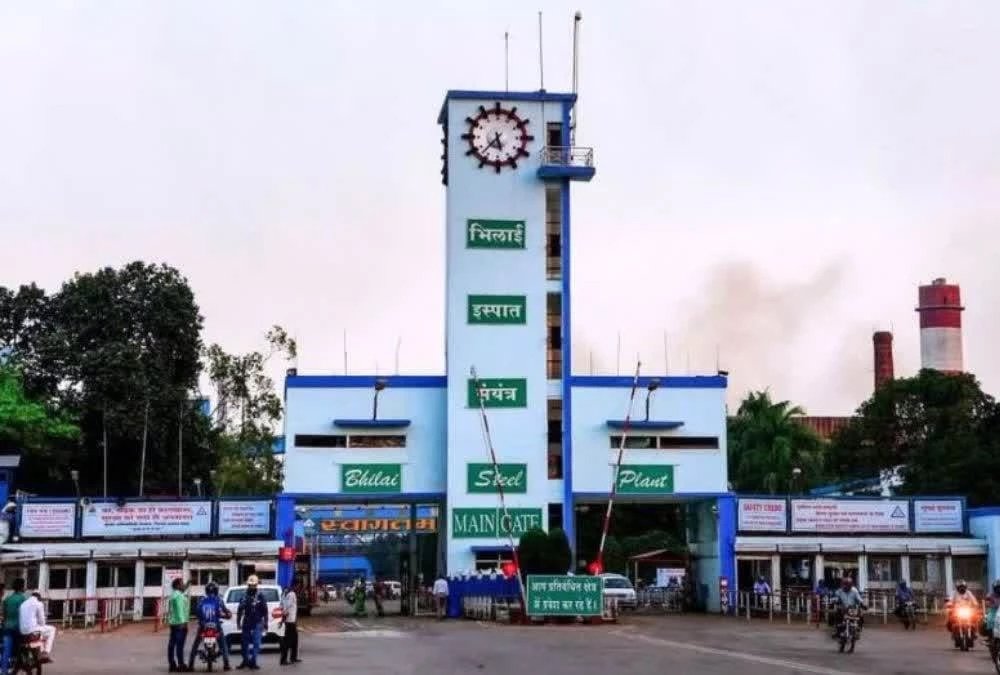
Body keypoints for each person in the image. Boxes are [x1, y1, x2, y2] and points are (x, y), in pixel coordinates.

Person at [188, 581, 231, 672]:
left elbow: (197, 612)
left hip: (203, 626)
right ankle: (226, 664)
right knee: (223, 644)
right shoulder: (219, 600)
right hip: (216, 626)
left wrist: (201, 620)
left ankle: (190, 665)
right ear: (216, 590)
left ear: (206, 590)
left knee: (195, 645)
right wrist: (227, 615)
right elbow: (223, 612)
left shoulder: (201, 600)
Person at [236, 575, 267, 671]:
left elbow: (265, 610)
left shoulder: (260, 596)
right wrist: (238, 622)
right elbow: (240, 610)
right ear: (248, 585)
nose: (252, 587)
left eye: (254, 585)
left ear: (256, 585)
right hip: (247, 622)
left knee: (256, 643)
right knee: (244, 644)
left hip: (257, 622)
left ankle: (253, 661)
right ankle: (245, 661)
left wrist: (266, 623)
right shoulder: (244, 596)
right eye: (250, 585)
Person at [18, 592, 55, 664]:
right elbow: (42, 622)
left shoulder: (23, 604)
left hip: (22, 631)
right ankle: (45, 652)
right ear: (39, 597)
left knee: (41, 631)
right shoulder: (38, 603)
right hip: (32, 631)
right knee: (52, 629)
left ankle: (40, 651)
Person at [1, 578, 27, 674]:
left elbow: (4, 615)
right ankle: (21, 664)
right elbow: (25, 616)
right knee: (22, 647)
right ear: (22, 587)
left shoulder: (7, 599)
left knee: (6, 651)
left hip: (7, 628)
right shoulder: (23, 599)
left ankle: (4, 671)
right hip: (18, 628)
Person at [166, 577, 190, 673]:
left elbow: (171, 610)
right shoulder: (179, 596)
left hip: (173, 623)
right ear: (177, 585)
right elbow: (180, 610)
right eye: (181, 583)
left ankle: (172, 664)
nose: (183, 585)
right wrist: (183, 623)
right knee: (180, 645)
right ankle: (181, 665)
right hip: (180, 624)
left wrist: (187, 584)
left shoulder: (173, 595)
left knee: (172, 644)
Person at [279, 579, 300, 666]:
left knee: (295, 639)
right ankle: (283, 660)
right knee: (288, 641)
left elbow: (281, 605)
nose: (298, 588)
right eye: (298, 586)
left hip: (291, 620)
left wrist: (283, 617)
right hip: (290, 620)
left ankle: (293, 657)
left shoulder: (285, 592)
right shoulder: (292, 594)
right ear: (295, 585)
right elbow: (287, 607)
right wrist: (284, 617)